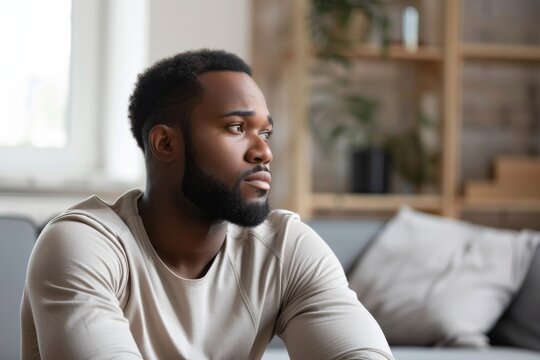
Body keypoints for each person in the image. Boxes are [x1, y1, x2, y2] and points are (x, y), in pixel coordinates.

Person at [21, 49, 393, 360]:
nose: (263, 151)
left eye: (265, 133)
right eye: (236, 128)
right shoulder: (83, 245)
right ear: (165, 143)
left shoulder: (284, 248)